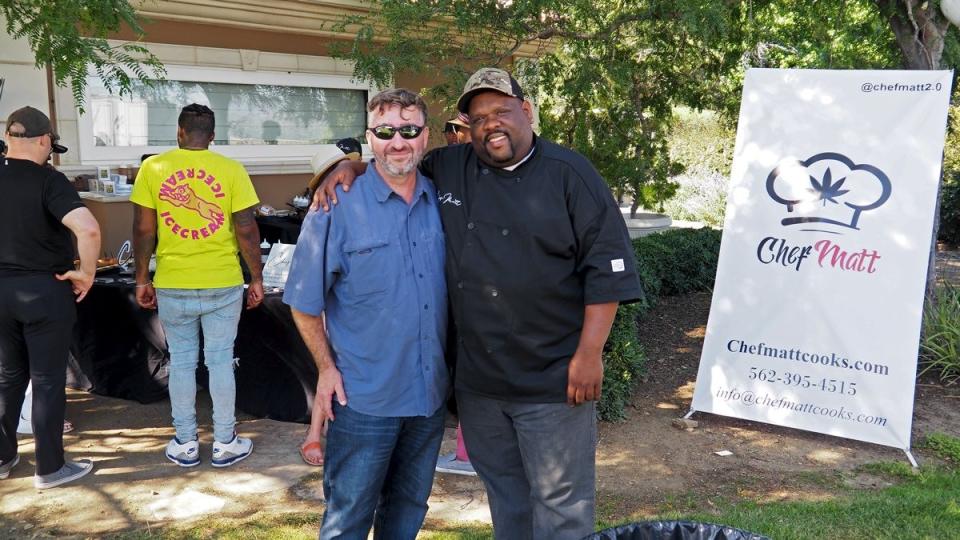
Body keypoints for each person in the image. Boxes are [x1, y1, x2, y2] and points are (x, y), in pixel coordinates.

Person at [317, 68, 643, 539]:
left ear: (526, 112)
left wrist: (590, 355)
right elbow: (397, 160)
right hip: (481, 385)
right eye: (478, 117)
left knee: (562, 503)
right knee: (506, 494)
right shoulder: (448, 166)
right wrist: (353, 167)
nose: (491, 124)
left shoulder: (571, 175)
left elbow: (607, 271)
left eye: (501, 111)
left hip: (554, 380)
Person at [284, 88, 449, 538]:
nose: (399, 142)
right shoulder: (335, 206)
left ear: (426, 136)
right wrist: (325, 368)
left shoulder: (444, 201)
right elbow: (303, 303)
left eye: (409, 130)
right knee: (348, 516)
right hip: (362, 400)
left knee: (408, 509)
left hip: (428, 396)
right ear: (369, 138)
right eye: (386, 131)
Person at [131, 103, 264, 468]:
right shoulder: (231, 169)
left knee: (183, 362)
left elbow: (144, 229)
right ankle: (225, 441)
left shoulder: (153, 168)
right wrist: (256, 277)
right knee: (221, 361)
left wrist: (142, 278)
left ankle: (185, 442)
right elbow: (247, 228)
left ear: (178, 132)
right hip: (222, 281)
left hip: (174, 282)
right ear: (212, 137)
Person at [0, 106, 101, 488]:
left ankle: (3, 456)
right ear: (44, 141)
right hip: (44, 289)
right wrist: (87, 273)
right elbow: (88, 230)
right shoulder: (49, 180)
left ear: (9, 138)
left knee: (8, 375)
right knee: (46, 379)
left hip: (1, 292)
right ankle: (50, 467)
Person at [297, 142, 362, 467]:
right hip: (329, 306)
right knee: (328, 371)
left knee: (337, 375)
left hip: (347, 310)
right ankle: (314, 434)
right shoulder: (322, 208)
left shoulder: (358, 193)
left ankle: (317, 434)